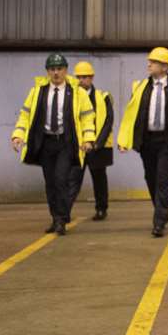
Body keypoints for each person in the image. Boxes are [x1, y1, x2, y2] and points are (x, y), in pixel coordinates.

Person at [117, 46, 168, 238]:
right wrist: (124, 140)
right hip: (147, 142)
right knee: (151, 178)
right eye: (149, 61)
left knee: (163, 178)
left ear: (164, 66)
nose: (149, 64)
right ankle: (161, 208)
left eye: (152, 62)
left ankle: (159, 221)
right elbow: (131, 116)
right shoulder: (139, 87)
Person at [10, 53, 96, 235]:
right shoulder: (37, 92)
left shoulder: (77, 93)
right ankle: (55, 217)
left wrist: (88, 139)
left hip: (65, 143)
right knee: (50, 183)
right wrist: (18, 135)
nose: (56, 73)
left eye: (59, 69)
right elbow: (25, 115)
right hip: (46, 143)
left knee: (61, 180)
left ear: (66, 70)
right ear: (47, 71)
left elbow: (88, 117)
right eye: (52, 69)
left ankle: (61, 219)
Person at [72, 60, 114, 221]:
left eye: (85, 77)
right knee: (73, 179)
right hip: (79, 146)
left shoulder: (103, 97)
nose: (81, 80)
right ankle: (65, 211)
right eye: (79, 77)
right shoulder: (72, 97)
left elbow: (108, 121)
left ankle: (101, 209)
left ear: (92, 78)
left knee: (99, 179)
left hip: (98, 147)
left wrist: (98, 143)